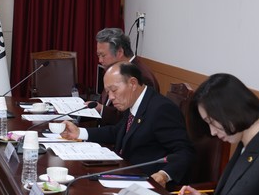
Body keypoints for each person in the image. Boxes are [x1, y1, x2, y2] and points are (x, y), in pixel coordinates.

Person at [61, 62, 194, 186]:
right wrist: (79, 132)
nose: (111, 97)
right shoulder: (134, 101)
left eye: (114, 90)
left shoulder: (161, 109)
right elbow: (117, 132)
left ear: (133, 83)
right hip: (124, 172)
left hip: (146, 183)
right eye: (108, 92)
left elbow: (184, 152)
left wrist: (164, 175)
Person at [94, 27, 160, 125]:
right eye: (98, 55)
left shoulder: (142, 77)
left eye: (103, 55)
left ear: (120, 52)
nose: (100, 60)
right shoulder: (113, 70)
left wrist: (102, 109)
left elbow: (131, 119)